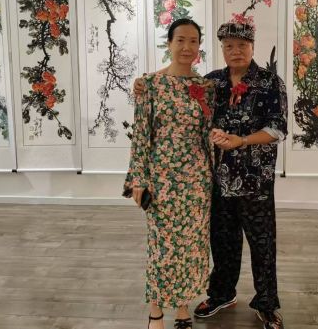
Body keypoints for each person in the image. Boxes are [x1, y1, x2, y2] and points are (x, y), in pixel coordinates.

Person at [134, 21, 287, 329]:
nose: (235, 51)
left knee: (262, 245)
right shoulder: (212, 82)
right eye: (229, 46)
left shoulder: (270, 81)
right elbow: (180, 97)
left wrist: (241, 141)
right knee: (222, 242)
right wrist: (143, 84)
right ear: (221, 49)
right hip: (215, 179)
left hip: (255, 181)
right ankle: (222, 294)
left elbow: (277, 129)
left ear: (252, 47)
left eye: (241, 45)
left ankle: (267, 304)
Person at [123, 18, 215, 329]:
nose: (187, 47)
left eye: (193, 41)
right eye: (180, 40)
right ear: (169, 43)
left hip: (198, 181)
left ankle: (183, 309)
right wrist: (139, 178)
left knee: (191, 247)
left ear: (199, 46)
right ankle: (156, 312)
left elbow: (208, 133)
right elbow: (141, 134)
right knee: (162, 246)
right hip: (162, 179)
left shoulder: (206, 88)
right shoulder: (150, 85)